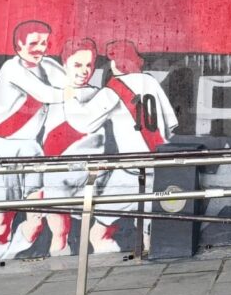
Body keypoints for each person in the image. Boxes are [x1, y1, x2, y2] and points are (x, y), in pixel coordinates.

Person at [62, 39, 178, 252]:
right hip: (160, 168)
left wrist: (69, 98)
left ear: (115, 63)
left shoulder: (113, 89)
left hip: (130, 174)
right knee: (147, 230)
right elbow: (171, 124)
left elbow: (83, 122)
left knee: (99, 234)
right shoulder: (150, 82)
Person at [0, 20, 67, 260]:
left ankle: (4, 260)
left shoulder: (47, 65)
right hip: (0, 149)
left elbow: (72, 83)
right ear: (18, 44)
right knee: (3, 219)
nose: (41, 48)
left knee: (37, 220)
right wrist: (76, 92)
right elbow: (47, 94)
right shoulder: (11, 68)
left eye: (45, 42)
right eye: (34, 43)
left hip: (29, 149)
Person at [38, 38, 116, 255]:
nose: (84, 71)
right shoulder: (51, 95)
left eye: (89, 65)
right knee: (59, 236)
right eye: (78, 65)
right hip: (58, 175)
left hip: (93, 176)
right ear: (65, 64)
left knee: (101, 233)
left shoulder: (99, 95)